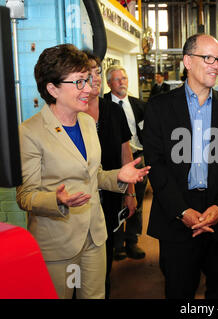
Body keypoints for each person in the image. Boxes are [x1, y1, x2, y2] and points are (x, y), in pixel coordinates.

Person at [16, 44, 150, 299]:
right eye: (79, 82)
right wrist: (57, 199)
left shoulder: (87, 123)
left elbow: (94, 174)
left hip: (95, 236)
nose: (89, 88)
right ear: (52, 88)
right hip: (58, 244)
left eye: (87, 80)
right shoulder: (30, 133)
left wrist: (118, 177)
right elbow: (26, 196)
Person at [143, 34, 218, 299]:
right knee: (179, 290)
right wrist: (182, 210)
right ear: (188, 61)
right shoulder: (159, 107)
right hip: (176, 215)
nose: (216, 65)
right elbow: (156, 165)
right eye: (209, 58)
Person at [83, 51, 135, 299]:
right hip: (80, 203)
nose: (95, 78)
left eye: (98, 72)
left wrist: (130, 193)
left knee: (104, 259)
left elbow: (126, 153)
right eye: (88, 72)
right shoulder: (73, 114)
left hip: (111, 197)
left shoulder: (113, 112)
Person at [104, 65, 147, 260]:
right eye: (117, 79)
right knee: (116, 202)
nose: (122, 82)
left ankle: (132, 241)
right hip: (113, 163)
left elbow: (147, 133)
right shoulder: (102, 105)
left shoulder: (139, 105)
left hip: (137, 158)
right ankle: (117, 243)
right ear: (108, 83)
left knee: (136, 202)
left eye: (124, 78)